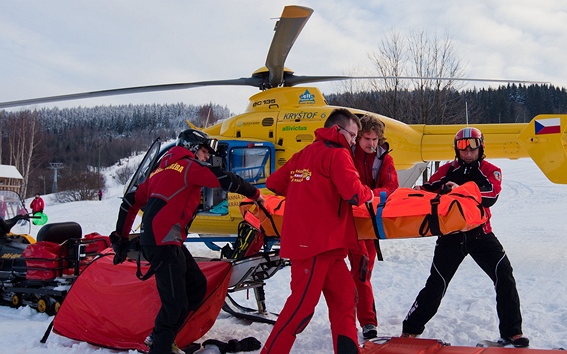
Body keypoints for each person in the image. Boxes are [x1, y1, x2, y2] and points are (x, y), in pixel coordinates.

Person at [111, 129, 264, 354]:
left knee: (196, 286)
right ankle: (159, 345)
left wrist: (121, 239)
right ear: (193, 148)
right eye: (204, 152)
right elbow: (224, 179)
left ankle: (170, 336)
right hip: (163, 243)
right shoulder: (188, 167)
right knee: (174, 304)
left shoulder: (159, 171)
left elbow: (129, 202)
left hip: (164, 241)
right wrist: (255, 194)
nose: (206, 158)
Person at [401, 127, 529, 347]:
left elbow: (491, 195)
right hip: (451, 237)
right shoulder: (446, 170)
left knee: (504, 275)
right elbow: (423, 191)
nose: (467, 152)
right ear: (456, 149)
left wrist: (460, 190)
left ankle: (512, 332)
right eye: (462, 148)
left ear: (481, 148)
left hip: (481, 235)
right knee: (436, 284)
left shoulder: (491, 170)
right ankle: (410, 329)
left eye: (472, 147)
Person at [261, 108, 374, 354]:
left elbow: (274, 183)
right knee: (300, 309)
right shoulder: (338, 155)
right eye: (353, 136)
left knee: (345, 298)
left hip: (329, 247)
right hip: (315, 246)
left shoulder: (303, 154)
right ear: (337, 130)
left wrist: (307, 192)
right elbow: (354, 193)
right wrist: (371, 193)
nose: (354, 142)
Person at [349, 114, 399, 339]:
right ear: (358, 137)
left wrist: (369, 195)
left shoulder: (383, 159)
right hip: (341, 220)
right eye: (367, 138)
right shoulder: (345, 154)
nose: (371, 144)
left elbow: (392, 185)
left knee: (362, 272)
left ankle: (366, 320)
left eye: (375, 139)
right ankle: (347, 316)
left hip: (367, 223)